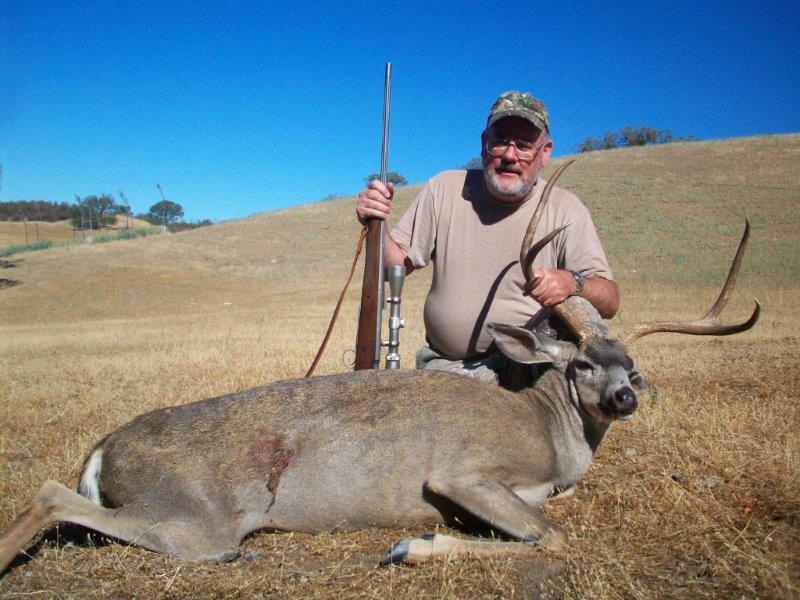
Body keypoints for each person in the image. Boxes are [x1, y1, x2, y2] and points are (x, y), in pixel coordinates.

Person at [356, 91, 618, 389]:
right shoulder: (443, 189)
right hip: (449, 367)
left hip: (530, 374)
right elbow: (396, 265)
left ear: (545, 153)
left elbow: (609, 300)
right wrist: (376, 220)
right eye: (501, 140)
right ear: (484, 143)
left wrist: (573, 283)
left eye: (524, 145)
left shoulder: (567, 210)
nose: (509, 155)